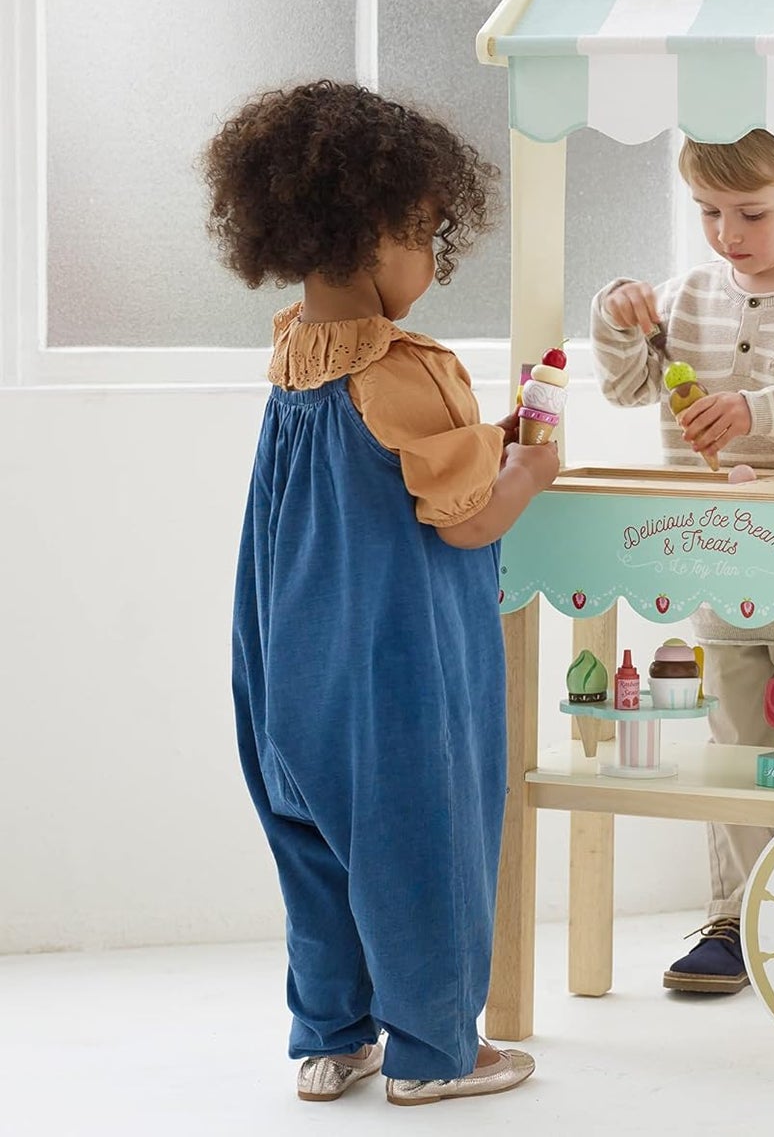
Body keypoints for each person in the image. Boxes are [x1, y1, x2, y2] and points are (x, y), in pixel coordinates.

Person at [205, 80, 559, 1105]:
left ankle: (330, 1038)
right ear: (373, 235)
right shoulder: (405, 369)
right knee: (423, 840)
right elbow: (465, 517)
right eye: (427, 236)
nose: (433, 263)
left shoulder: (294, 356)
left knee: (312, 839)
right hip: (398, 657)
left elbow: (387, 472)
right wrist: (531, 467)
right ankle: (436, 1051)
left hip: (290, 652)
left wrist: (481, 444)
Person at [590, 129, 774, 995]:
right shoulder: (687, 298)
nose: (725, 232)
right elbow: (627, 387)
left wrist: (758, 410)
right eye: (708, 211)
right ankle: (738, 918)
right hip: (717, 565)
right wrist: (617, 320)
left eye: (750, 212)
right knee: (735, 752)